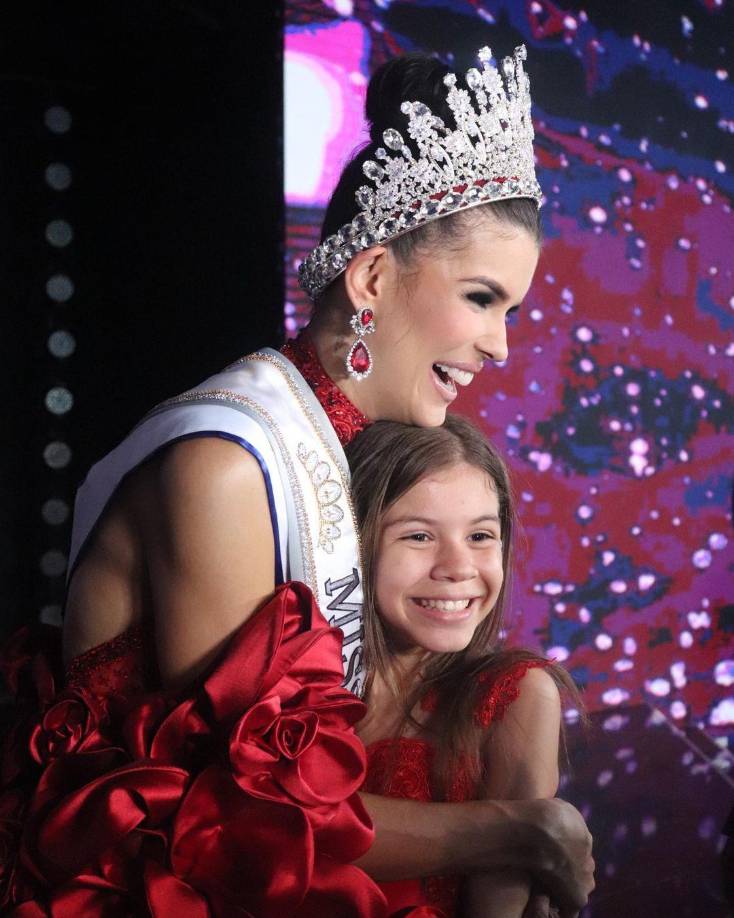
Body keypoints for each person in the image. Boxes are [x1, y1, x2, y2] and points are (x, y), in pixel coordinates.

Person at [0, 45, 594, 915]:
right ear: (373, 276)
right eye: (480, 298)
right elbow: (246, 818)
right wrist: (519, 828)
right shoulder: (230, 464)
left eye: (510, 311)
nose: (501, 346)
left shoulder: (333, 447)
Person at [348, 414, 585, 917]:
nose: (457, 567)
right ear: (352, 542)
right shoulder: (294, 679)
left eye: (480, 536)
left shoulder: (514, 696)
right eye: (418, 537)